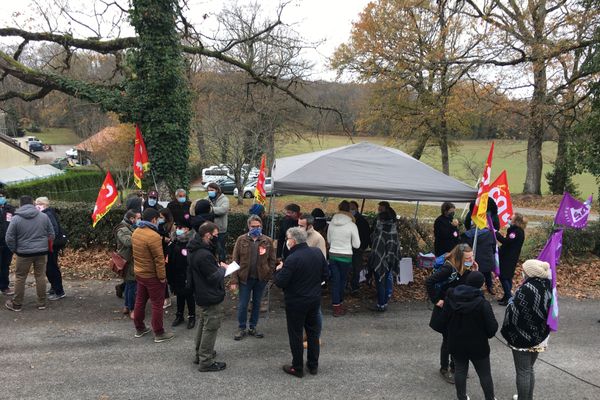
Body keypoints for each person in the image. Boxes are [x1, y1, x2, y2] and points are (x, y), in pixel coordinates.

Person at [274, 227, 329, 378]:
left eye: (287, 239)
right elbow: (326, 274)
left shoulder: (292, 259)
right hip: (314, 300)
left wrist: (279, 269)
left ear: (293, 240)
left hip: (296, 302)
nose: (286, 241)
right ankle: (313, 365)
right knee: (313, 333)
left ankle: (297, 367)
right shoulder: (317, 253)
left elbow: (280, 282)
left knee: (296, 334)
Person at [441, 271, 498, 400]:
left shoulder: (451, 298)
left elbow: (443, 320)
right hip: (478, 345)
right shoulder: (483, 304)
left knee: (460, 371)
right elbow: (492, 328)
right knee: (484, 374)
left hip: (456, 343)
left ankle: (462, 397)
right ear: (481, 285)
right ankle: (490, 398)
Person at [425, 243, 477, 384]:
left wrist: (473, 272)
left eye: (472, 256)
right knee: (448, 340)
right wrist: (436, 300)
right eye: (468, 257)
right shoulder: (448, 268)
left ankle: (455, 367)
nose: (471, 259)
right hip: (446, 309)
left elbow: (466, 286)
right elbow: (429, 281)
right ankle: (444, 368)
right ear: (459, 257)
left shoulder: (465, 267)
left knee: (458, 339)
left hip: (458, 309)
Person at [501, 259, 552, 400]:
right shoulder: (547, 285)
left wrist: (511, 301)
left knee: (522, 371)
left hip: (522, 337)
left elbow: (513, 312)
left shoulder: (526, 289)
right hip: (540, 335)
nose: (521, 272)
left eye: (523, 270)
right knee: (529, 368)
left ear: (530, 273)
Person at [187, 221, 228, 372]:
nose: (217, 238)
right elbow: (213, 277)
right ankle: (206, 360)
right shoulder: (204, 254)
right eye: (216, 235)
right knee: (211, 326)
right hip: (209, 294)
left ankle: (200, 353)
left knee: (203, 323)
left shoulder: (194, 249)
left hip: (201, 292)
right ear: (207, 235)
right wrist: (223, 269)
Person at [4, 196, 55, 312]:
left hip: (23, 253)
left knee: (20, 277)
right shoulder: (44, 216)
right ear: (33, 203)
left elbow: (9, 237)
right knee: (40, 276)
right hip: (42, 252)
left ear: (20, 205)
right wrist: (45, 246)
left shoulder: (16, 218)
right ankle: (42, 303)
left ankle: (17, 304)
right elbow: (51, 234)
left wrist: (15, 249)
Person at [230, 215, 276, 340]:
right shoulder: (241, 240)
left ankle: (253, 327)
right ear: (248, 226)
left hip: (261, 279)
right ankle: (241, 327)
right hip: (245, 278)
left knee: (257, 303)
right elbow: (235, 260)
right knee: (243, 304)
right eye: (253, 226)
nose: (256, 228)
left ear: (261, 226)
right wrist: (234, 279)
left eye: (258, 226)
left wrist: (269, 274)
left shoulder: (267, 241)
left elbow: (272, 260)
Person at [131, 208, 174, 343]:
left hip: (140, 273)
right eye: (158, 219)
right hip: (152, 276)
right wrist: (162, 277)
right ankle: (159, 332)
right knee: (157, 304)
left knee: (140, 301)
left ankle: (139, 328)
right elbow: (159, 259)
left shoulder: (136, 232)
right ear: (154, 220)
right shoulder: (153, 236)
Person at [327, 200, 360, 317]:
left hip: (333, 255)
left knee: (335, 281)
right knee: (342, 280)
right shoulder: (352, 225)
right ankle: (339, 304)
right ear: (349, 210)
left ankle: (336, 306)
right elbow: (357, 245)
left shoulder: (332, 223)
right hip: (346, 256)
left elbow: (329, 240)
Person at [166, 219, 196, 329]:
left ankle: (192, 316)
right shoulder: (174, 241)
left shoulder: (192, 243)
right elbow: (169, 258)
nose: (177, 230)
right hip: (176, 273)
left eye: (180, 228)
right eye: (177, 228)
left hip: (188, 273)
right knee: (179, 295)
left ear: (187, 229)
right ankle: (179, 315)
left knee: (189, 296)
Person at [369, 208, 400, 312]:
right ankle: (385, 302)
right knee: (386, 280)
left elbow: (377, 248)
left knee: (380, 283)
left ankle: (380, 304)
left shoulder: (381, 232)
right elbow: (396, 247)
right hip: (391, 260)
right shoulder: (394, 230)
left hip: (380, 260)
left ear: (382, 220)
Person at [35, 197, 66, 301]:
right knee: (50, 267)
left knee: (51, 268)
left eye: (39, 203)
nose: (37, 205)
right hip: (49, 245)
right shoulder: (46, 213)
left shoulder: (47, 214)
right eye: (36, 203)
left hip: (51, 246)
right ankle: (54, 288)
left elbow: (54, 231)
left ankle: (59, 291)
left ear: (44, 204)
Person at [496, 213, 527, 305]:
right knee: (508, 277)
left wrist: (496, 234)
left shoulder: (515, 232)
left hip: (508, 257)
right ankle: (506, 296)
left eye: (511, 218)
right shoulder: (516, 230)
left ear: (515, 221)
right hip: (510, 256)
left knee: (504, 276)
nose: (509, 219)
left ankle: (509, 297)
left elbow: (506, 242)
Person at [115, 210, 139, 318]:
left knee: (129, 284)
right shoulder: (123, 229)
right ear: (132, 219)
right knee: (132, 285)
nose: (139, 220)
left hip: (129, 260)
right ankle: (132, 309)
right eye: (137, 218)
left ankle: (127, 306)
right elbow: (128, 242)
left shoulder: (128, 227)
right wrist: (139, 235)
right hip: (128, 261)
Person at [461, 226, 497, 295]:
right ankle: (490, 287)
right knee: (487, 274)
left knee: (473, 274)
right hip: (487, 258)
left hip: (474, 259)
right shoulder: (490, 233)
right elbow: (494, 246)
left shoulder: (468, 235)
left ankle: (474, 289)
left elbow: (463, 247)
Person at [348, 201, 371, 295]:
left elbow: (367, 234)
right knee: (348, 268)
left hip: (358, 248)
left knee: (356, 268)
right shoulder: (347, 219)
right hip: (347, 248)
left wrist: (363, 247)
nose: (351, 210)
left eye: (353, 208)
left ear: (357, 209)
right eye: (350, 208)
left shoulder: (361, 220)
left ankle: (355, 287)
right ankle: (347, 285)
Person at [206, 183, 230, 262]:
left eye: (212, 190)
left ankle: (223, 266)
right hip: (209, 230)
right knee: (210, 249)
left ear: (217, 190)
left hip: (220, 230)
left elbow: (223, 210)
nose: (210, 192)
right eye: (208, 190)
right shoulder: (206, 199)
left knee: (221, 250)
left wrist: (210, 210)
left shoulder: (224, 199)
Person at [158, 207, 175, 310]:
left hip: (168, 252)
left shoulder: (172, 226)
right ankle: (165, 297)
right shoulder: (159, 225)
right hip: (161, 251)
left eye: (161, 217)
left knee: (167, 275)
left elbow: (172, 240)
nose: (159, 219)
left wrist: (165, 239)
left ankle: (168, 296)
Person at [0, 188, 16, 296]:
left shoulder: (10, 209)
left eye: (2, 196)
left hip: (7, 243)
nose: (1, 198)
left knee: (5, 265)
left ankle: (4, 286)